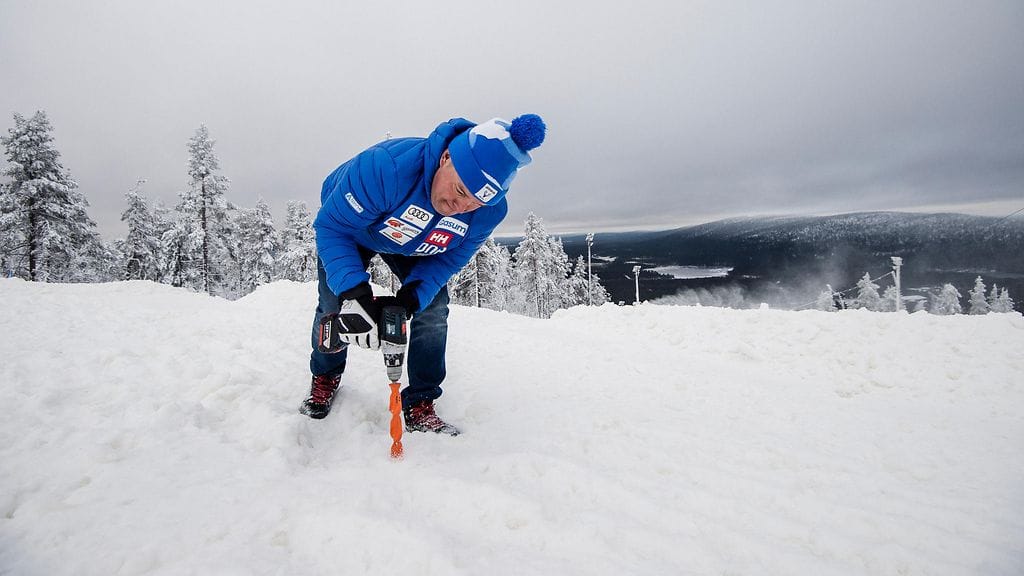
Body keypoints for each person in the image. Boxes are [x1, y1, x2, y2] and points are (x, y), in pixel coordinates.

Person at [300, 114, 546, 435]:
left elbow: (450, 259)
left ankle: (420, 401)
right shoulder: (385, 169)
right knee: (334, 304)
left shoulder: (488, 212)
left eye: (475, 201)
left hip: (416, 243)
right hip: (355, 229)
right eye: (459, 190)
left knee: (433, 309)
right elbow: (332, 227)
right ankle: (325, 374)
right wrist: (354, 291)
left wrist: (412, 297)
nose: (460, 206)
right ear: (446, 159)